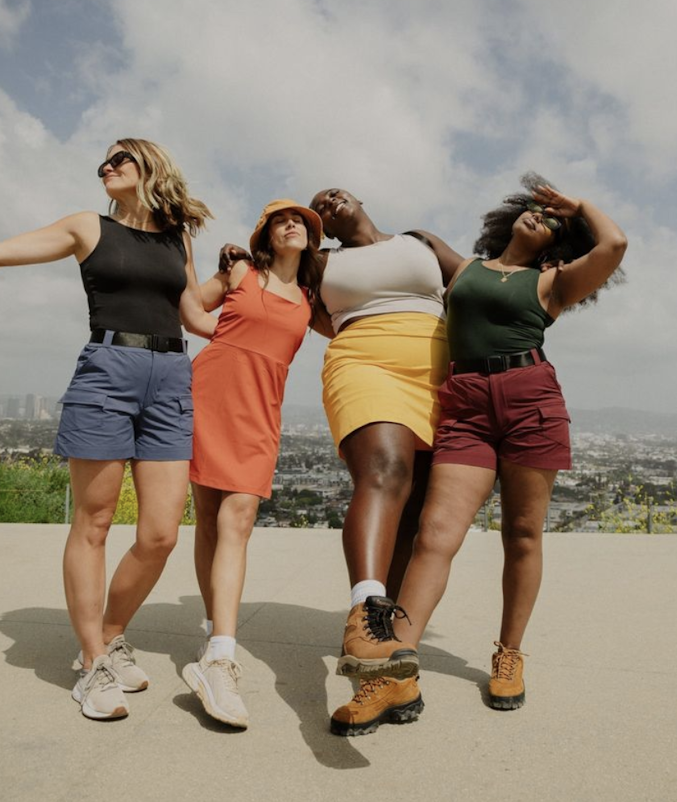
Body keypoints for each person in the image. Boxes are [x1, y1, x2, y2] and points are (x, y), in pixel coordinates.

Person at [388, 173, 627, 712]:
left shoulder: (555, 282)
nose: (540, 217)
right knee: (436, 533)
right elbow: (414, 240)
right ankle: (396, 661)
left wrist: (580, 204)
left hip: (531, 403)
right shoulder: (465, 268)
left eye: (553, 223)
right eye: (536, 210)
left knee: (522, 534)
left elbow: (614, 245)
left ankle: (509, 654)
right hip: (467, 405)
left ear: (559, 247)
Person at [0, 138, 216, 720]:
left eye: (120, 158)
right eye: (103, 163)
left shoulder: (179, 239)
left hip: (172, 376)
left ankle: (110, 633)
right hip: (108, 373)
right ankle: (93, 661)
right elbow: (7, 251)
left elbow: (194, 314)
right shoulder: (85, 227)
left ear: (150, 166)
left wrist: (251, 287)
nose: (108, 167)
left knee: (162, 533)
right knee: (93, 521)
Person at [306, 188, 464, 735]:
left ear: (359, 198)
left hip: (441, 377)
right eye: (317, 207)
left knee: (417, 522)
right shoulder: (322, 262)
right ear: (320, 228)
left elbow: (478, 283)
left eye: (333, 193)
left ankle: (392, 671)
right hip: (364, 362)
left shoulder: (419, 240)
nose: (327, 199)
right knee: (385, 473)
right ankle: (366, 609)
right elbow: (294, 307)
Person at [181, 200, 323, 728]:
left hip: (260, 414)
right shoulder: (241, 271)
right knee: (210, 523)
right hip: (206, 396)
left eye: (303, 222)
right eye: (283, 219)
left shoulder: (312, 297)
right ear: (266, 232)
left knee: (237, 521)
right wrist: (189, 254)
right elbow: (194, 312)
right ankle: (218, 645)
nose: (294, 225)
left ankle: (219, 653)